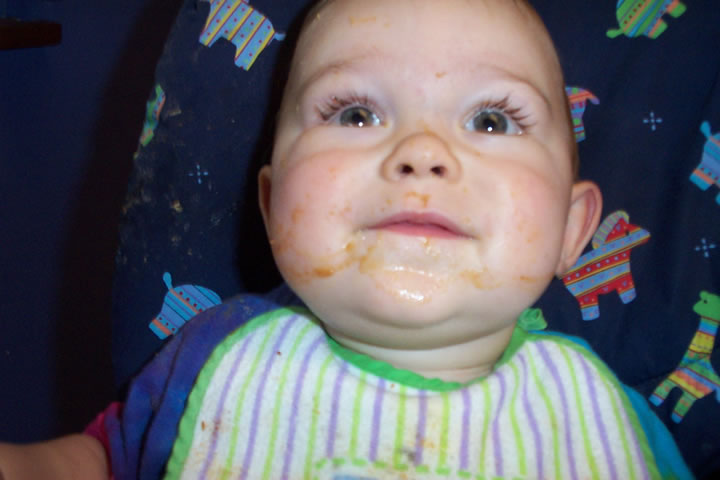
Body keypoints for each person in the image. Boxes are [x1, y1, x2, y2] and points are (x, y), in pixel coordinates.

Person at [0, 0, 694, 478]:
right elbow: (103, 459)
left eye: (491, 121)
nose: (422, 153)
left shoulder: (605, 426)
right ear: (272, 204)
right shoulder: (213, 360)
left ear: (573, 229)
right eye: (356, 114)